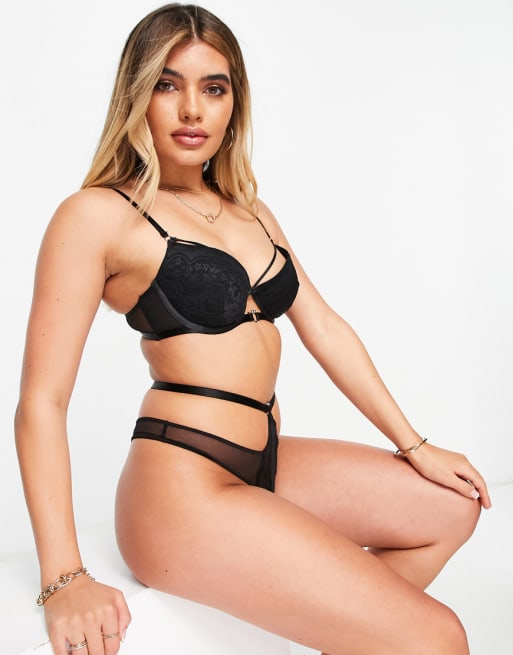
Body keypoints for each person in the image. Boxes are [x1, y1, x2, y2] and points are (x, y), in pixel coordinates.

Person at [15, 4, 491, 655]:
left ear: (234, 103)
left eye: (213, 88)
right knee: (439, 636)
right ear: (136, 94)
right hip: (180, 490)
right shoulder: (98, 215)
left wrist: (415, 444)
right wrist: (64, 578)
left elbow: (323, 326)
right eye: (167, 84)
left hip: (264, 461)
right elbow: (42, 403)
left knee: (450, 506)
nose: (192, 109)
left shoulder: (250, 210)